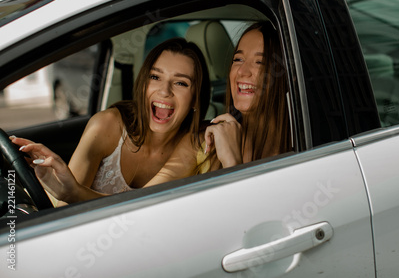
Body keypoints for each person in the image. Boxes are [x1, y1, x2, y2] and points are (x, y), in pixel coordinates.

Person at [11, 37, 210, 204]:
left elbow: (144, 207)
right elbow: (65, 210)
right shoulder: (107, 125)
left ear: (196, 98)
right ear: (143, 85)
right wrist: (69, 192)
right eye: (155, 77)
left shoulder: (197, 144)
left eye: (181, 83)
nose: (164, 91)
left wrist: (75, 194)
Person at [203, 21, 292, 168]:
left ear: (285, 75)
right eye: (238, 59)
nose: (242, 71)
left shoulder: (302, 152)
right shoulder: (209, 141)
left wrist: (232, 164)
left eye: (260, 62)